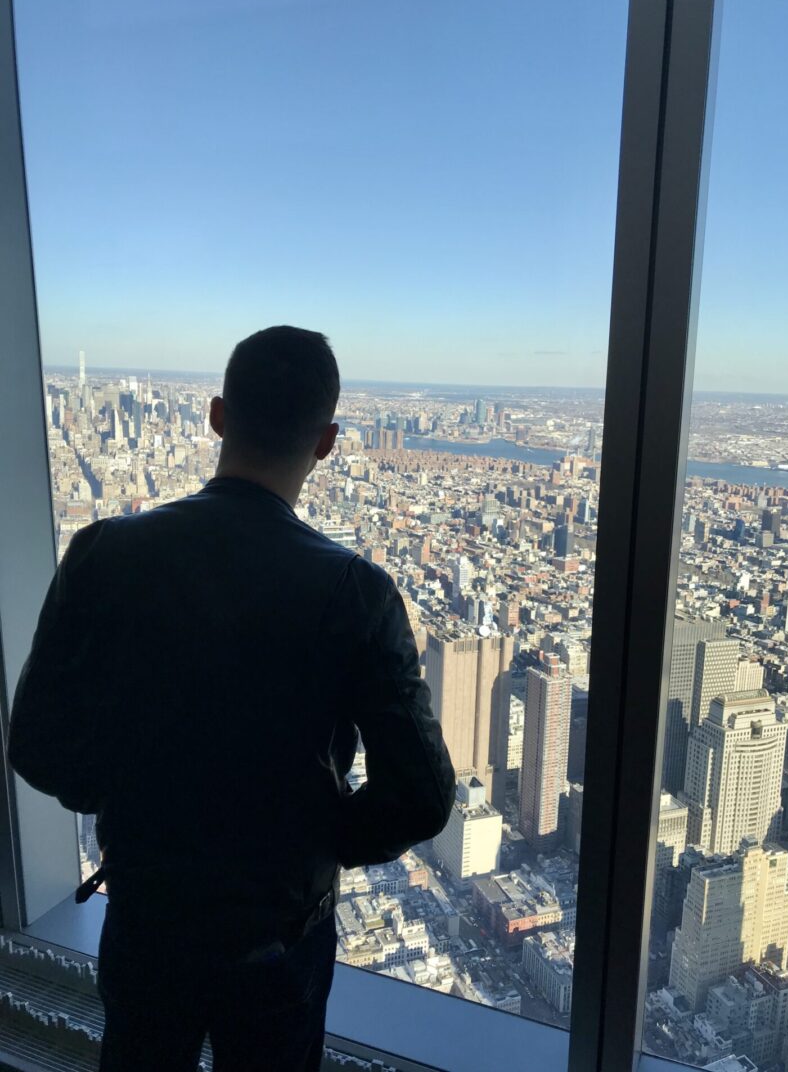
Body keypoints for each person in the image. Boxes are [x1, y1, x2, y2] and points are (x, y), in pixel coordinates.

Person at [8, 325, 456, 1072]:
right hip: (277, 929)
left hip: (148, 910)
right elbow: (424, 797)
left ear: (217, 416)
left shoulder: (103, 553)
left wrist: (121, 793)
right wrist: (319, 835)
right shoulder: (357, 595)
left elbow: (38, 742)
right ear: (327, 443)